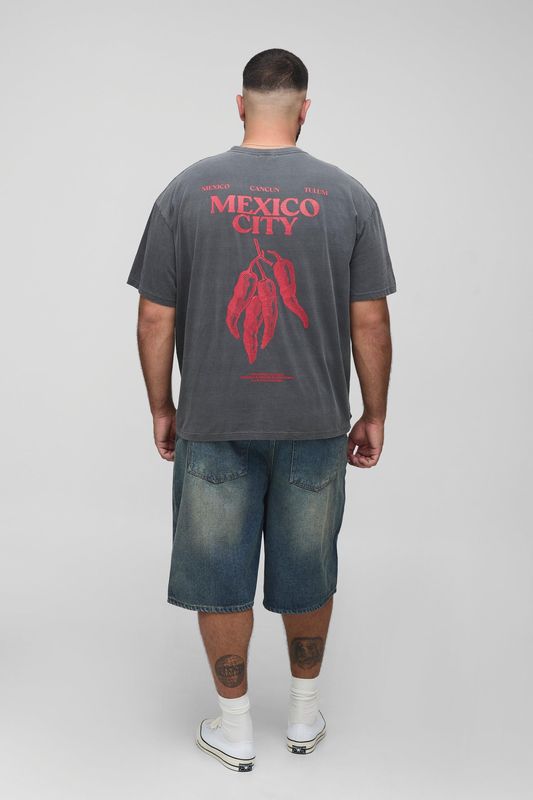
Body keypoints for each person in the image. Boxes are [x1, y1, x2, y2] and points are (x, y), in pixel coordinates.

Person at [126, 48, 396, 773]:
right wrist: (373, 412)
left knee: (219, 575)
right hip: (316, 422)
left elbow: (154, 316)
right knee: (309, 566)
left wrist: (162, 406)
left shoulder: (186, 191)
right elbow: (369, 321)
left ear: (240, 105)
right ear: (305, 110)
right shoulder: (347, 197)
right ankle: (303, 718)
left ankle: (235, 726)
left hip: (213, 420)